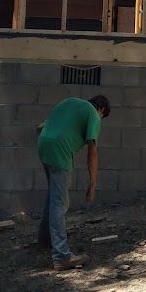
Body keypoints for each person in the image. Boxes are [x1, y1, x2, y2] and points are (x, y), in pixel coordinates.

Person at [36, 94, 110, 270]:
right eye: (102, 118)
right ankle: (61, 256)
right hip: (60, 151)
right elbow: (93, 150)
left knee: (54, 197)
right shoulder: (93, 114)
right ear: (102, 110)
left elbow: (39, 127)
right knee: (60, 204)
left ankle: (45, 241)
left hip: (44, 145)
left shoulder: (68, 102)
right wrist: (92, 184)